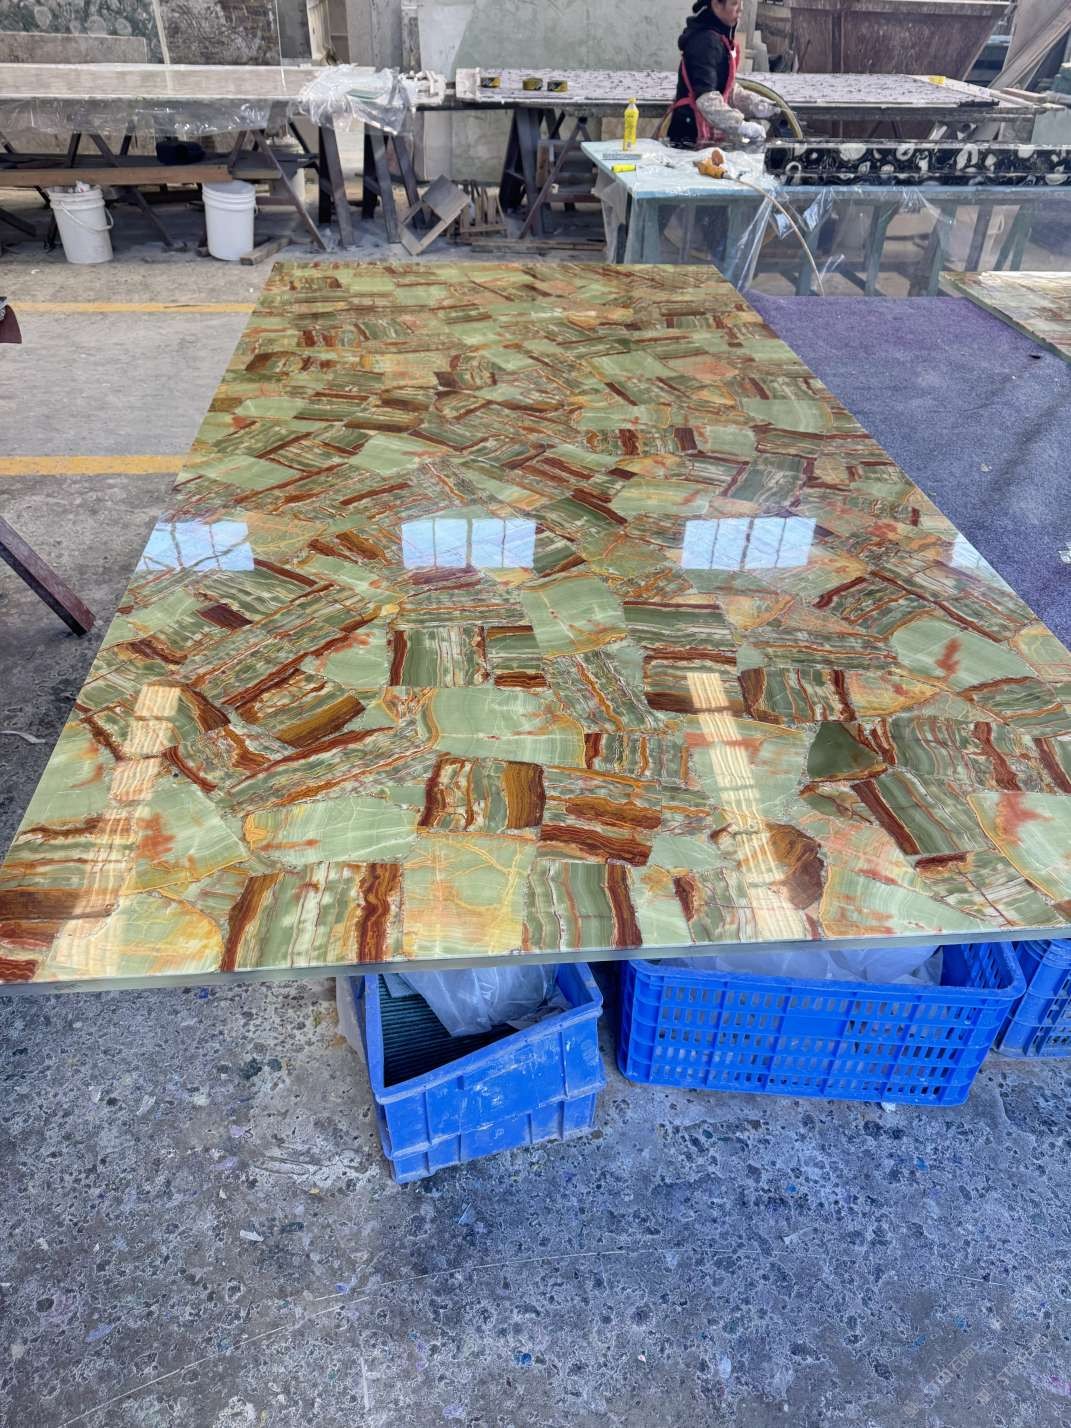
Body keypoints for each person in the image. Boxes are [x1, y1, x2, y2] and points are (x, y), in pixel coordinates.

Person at [666, 0, 777, 148]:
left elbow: (726, 89)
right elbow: (706, 99)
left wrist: (754, 104)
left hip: (703, 133)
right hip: (689, 135)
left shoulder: (720, 38)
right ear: (716, 5)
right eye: (734, 3)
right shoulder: (705, 42)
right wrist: (740, 125)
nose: (740, 9)